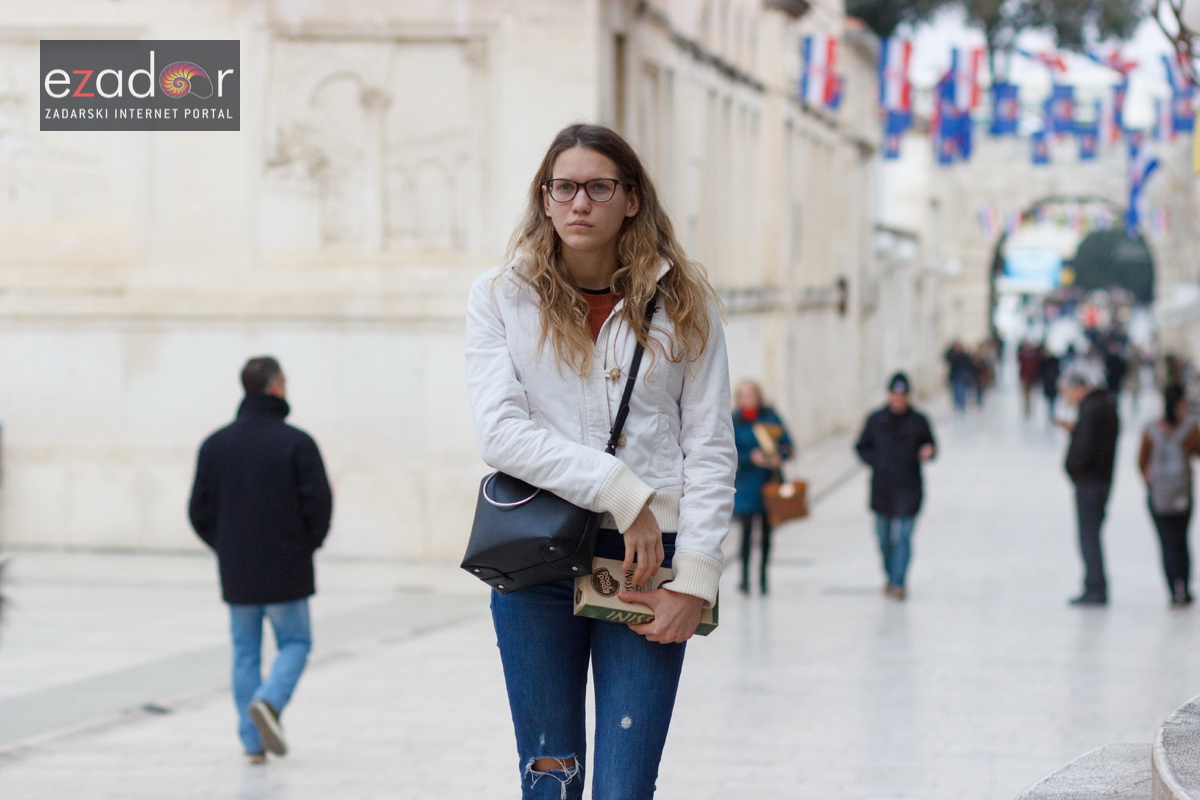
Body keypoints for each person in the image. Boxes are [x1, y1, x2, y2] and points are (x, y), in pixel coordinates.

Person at [465, 123, 736, 799]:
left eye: (598, 187)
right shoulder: (501, 297)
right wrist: (622, 490)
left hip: (649, 567)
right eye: (564, 188)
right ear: (545, 199)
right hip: (536, 563)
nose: (579, 203)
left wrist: (696, 580)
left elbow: (709, 445)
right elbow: (499, 432)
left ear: (632, 199)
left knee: (624, 787)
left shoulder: (684, 304)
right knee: (550, 781)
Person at [188, 357, 333, 764]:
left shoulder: (215, 444)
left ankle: (252, 742)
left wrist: (226, 547)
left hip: (238, 571)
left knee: (245, 652)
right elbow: (318, 505)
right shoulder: (297, 443)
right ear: (276, 388)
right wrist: (307, 545)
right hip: (286, 568)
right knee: (296, 642)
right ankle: (269, 702)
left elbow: (199, 511)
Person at [853, 372, 937, 600]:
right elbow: (861, 446)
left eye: (902, 394)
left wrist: (927, 451)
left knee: (904, 537)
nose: (898, 399)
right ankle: (891, 576)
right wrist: (876, 462)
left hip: (909, 487)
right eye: (895, 394)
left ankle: (899, 582)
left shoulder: (919, 421)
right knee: (883, 538)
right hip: (882, 487)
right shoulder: (876, 419)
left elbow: (931, 445)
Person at [1060, 370, 1119, 606]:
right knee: (1092, 535)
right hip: (1101, 479)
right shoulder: (1105, 405)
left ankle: (1095, 587)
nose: (1068, 400)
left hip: (1090, 481)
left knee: (1089, 537)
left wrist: (1072, 468)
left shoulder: (1091, 409)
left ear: (1078, 388)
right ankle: (1094, 584)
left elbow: (1085, 448)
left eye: (1068, 394)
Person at [1138, 385, 1200, 606]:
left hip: (1158, 495)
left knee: (1167, 543)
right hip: (1182, 494)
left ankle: (1173, 589)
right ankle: (1185, 586)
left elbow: (1141, 462)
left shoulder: (1151, 430)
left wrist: (1152, 481)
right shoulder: (1189, 430)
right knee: (1182, 540)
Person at [731, 380, 794, 595]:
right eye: (743, 395)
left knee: (767, 534)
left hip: (768, 485)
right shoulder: (734, 421)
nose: (747, 399)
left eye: (751, 394)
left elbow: (788, 445)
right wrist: (751, 457)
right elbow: (728, 451)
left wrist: (778, 457)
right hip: (746, 486)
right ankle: (745, 579)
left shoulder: (770, 418)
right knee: (746, 535)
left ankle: (764, 577)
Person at [944, 341, 976, 412]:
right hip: (954, 376)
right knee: (955, 391)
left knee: (961, 390)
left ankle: (962, 404)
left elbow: (970, 365)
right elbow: (946, 357)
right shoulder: (952, 354)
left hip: (963, 376)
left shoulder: (964, 355)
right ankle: (958, 403)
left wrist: (971, 374)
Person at [1018, 340, 1042, 418]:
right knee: (1027, 393)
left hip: (1032, 376)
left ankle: (1030, 406)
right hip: (1027, 376)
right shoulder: (1025, 355)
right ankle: (1028, 406)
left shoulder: (1034, 354)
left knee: (1031, 393)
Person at [1039, 346, 1061, 423]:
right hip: (1048, 384)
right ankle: (1050, 414)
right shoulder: (1044, 361)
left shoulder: (1054, 361)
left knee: (1052, 400)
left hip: (1052, 384)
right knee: (1050, 400)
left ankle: (1051, 414)